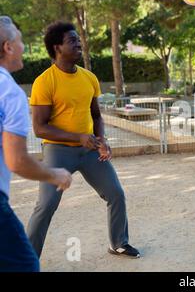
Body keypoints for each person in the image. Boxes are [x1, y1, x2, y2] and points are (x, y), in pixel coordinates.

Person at [26, 21, 140, 259]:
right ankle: (27, 257)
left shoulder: (89, 78)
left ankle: (118, 243)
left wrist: (101, 140)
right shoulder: (44, 82)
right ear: (57, 47)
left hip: (89, 151)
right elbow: (39, 128)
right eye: (72, 41)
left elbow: (96, 115)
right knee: (46, 206)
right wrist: (77, 137)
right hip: (58, 152)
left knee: (115, 193)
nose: (79, 44)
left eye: (78, 40)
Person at [0, 16, 72, 272]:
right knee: (26, 265)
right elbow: (16, 160)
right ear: (8, 47)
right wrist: (54, 174)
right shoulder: (9, 92)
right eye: (20, 40)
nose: (23, 47)